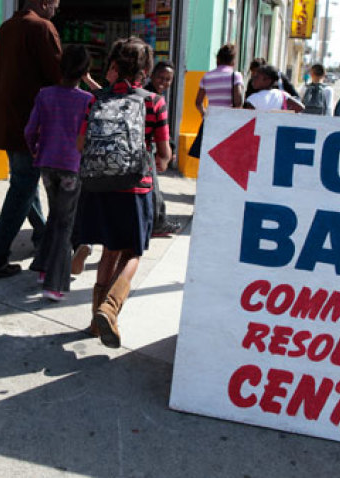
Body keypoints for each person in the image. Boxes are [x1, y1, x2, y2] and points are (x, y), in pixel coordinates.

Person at [75, 37, 172, 347]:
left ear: (113, 65)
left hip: (100, 187)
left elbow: (80, 145)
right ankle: (110, 308)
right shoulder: (154, 101)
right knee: (132, 251)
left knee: (109, 250)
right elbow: (164, 153)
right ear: (144, 69)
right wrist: (159, 160)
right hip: (135, 188)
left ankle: (95, 321)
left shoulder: (96, 99)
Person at [0, 0, 62, 277]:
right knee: (22, 188)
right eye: (53, 6)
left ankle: (43, 237)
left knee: (25, 183)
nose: (54, 12)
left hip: (8, 121)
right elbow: (58, 76)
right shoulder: (41, 28)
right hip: (31, 124)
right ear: (43, 2)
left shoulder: (6, 27)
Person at [24, 45, 94, 301]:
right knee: (65, 223)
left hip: (47, 163)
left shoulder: (45, 94)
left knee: (55, 215)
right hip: (72, 167)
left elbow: (30, 130)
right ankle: (55, 283)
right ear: (85, 71)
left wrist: (34, 150)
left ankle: (43, 267)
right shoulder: (88, 100)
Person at [188, 43, 244, 159]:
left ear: (217, 60)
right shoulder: (236, 76)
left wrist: (205, 114)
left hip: (211, 121)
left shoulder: (207, 76)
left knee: (208, 156)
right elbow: (238, 102)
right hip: (229, 122)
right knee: (226, 158)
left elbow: (198, 102)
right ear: (233, 62)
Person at [144, 61, 180, 237]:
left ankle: (157, 220)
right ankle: (158, 222)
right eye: (160, 77)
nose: (164, 82)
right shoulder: (152, 97)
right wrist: (166, 152)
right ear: (151, 75)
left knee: (152, 187)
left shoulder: (156, 96)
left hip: (151, 148)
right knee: (153, 187)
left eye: (168, 79)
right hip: (147, 148)